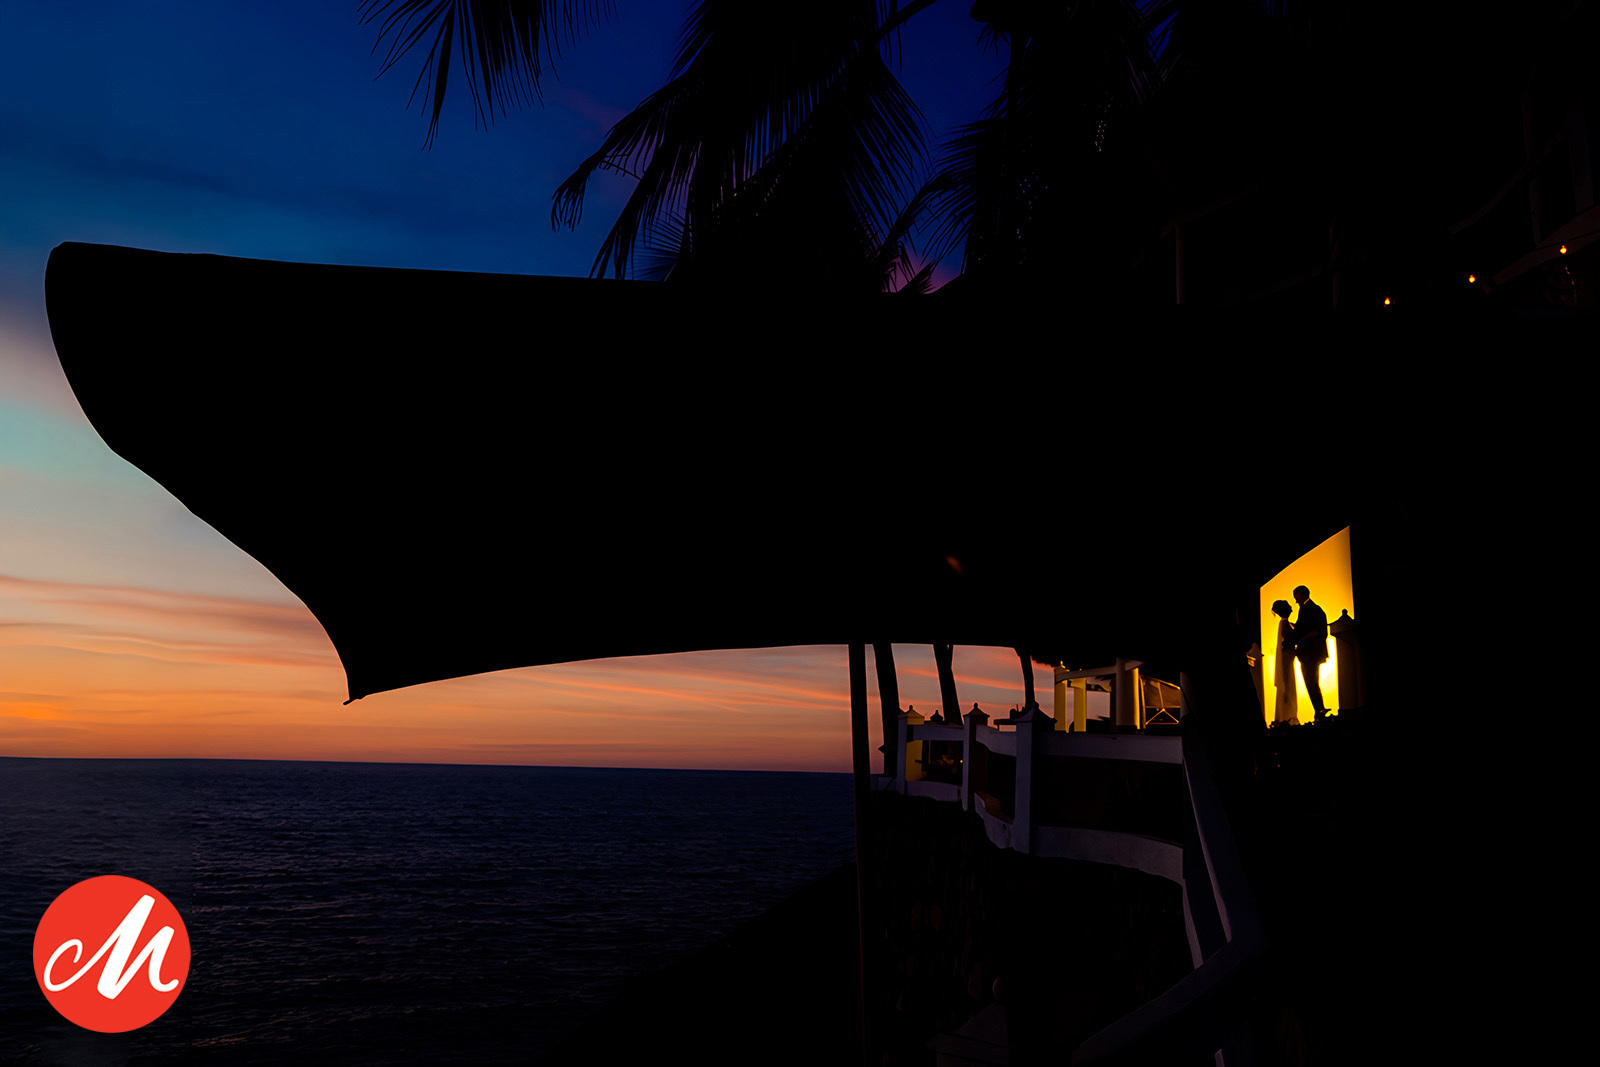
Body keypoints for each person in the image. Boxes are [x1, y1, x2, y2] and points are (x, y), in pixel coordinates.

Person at [1292, 585, 1330, 721]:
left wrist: (1297, 638)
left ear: (1302, 595)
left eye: (1296, 597)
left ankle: (1319, 710)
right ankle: (1319, 710)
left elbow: (1312, 631)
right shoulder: (1316, 609)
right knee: (1313, 681)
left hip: (1309, 653)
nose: (1295, 601)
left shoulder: (1307, 609)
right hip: (1315, 653)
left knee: (1310, 682)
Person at [1271, 599, 1298, 723]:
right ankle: (1287, 717)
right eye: (1289, 606)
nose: (1291, 608)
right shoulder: (1285, 624)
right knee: (1288, 685)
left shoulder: (1285, 623)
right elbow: (1290, 639)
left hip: (1288, 659)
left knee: (1289, 685)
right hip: (1287, 660)